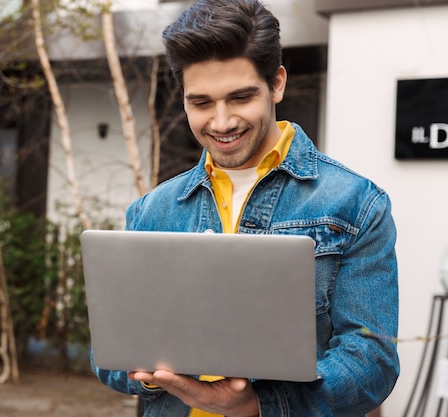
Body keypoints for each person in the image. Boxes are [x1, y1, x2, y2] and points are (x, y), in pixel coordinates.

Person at [91, 0, 399, 416]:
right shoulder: (151, 211)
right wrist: (150, 371)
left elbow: (372, 363)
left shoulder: (356, 204)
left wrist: (257, 403)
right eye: (201, 103)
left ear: (276, 84)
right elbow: (106, 358)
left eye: (240, 97)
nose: (221, 122)